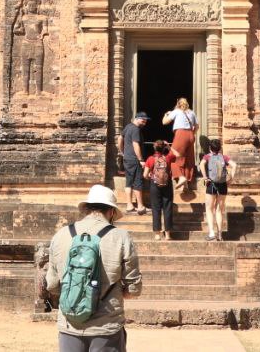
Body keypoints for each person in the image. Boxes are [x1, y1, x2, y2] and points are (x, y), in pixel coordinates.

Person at [44, 184, 142, 352]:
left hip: (69, 325)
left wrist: (76, 294)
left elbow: (52, 285)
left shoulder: (61, 235)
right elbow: (134, 289)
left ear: (86, 208)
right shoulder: (121, 237)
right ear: (111, 211)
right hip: (106, 325)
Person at [198, 138, 235, 241]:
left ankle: (211, 233)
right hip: (223, 185)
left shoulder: (207, 156)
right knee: (219, 210)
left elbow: (201, 164)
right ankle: (219, 234)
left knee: (209, 209)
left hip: (211, 184)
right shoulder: (224, 157)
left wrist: (205, 177)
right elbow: (234, 165)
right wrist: (231, 179)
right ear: (220, 148)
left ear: (210, 148)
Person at [143, 139, 177, 240]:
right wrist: (168, 146)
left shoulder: (150, 159)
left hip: (154, 185)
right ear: (163, 148)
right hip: (167, 184)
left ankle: (157, 234)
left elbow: (145, 175)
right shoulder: (168, 158)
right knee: (168, 208)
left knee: (156, 208)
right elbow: (176, 155)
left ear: (154, 148)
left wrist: (150, 177)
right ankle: (168, 234)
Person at [162, 97, 198, 188]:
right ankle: (186, 184)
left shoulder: (176, 111)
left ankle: (181, 177)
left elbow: (164, 122)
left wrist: (166, 114)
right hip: (191, 135)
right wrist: (191, 134)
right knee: (188, 159)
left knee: (173, 156)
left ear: (178, 104)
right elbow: (197, 126)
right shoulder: (192, 112)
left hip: (181, 134)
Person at [117, 112, 149, 215]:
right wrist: (141, 160)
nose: (145, 122)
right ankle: (140, 206)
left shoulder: (128, 126)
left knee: (129, 182)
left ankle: (129, 205)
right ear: (137, 118)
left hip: (127, 159)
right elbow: (136, 145)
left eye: (146, 120)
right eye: (143, 120)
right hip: (135, 160)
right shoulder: (135, 129)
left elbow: (120, 138)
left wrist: (122, 152)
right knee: (137, 182)